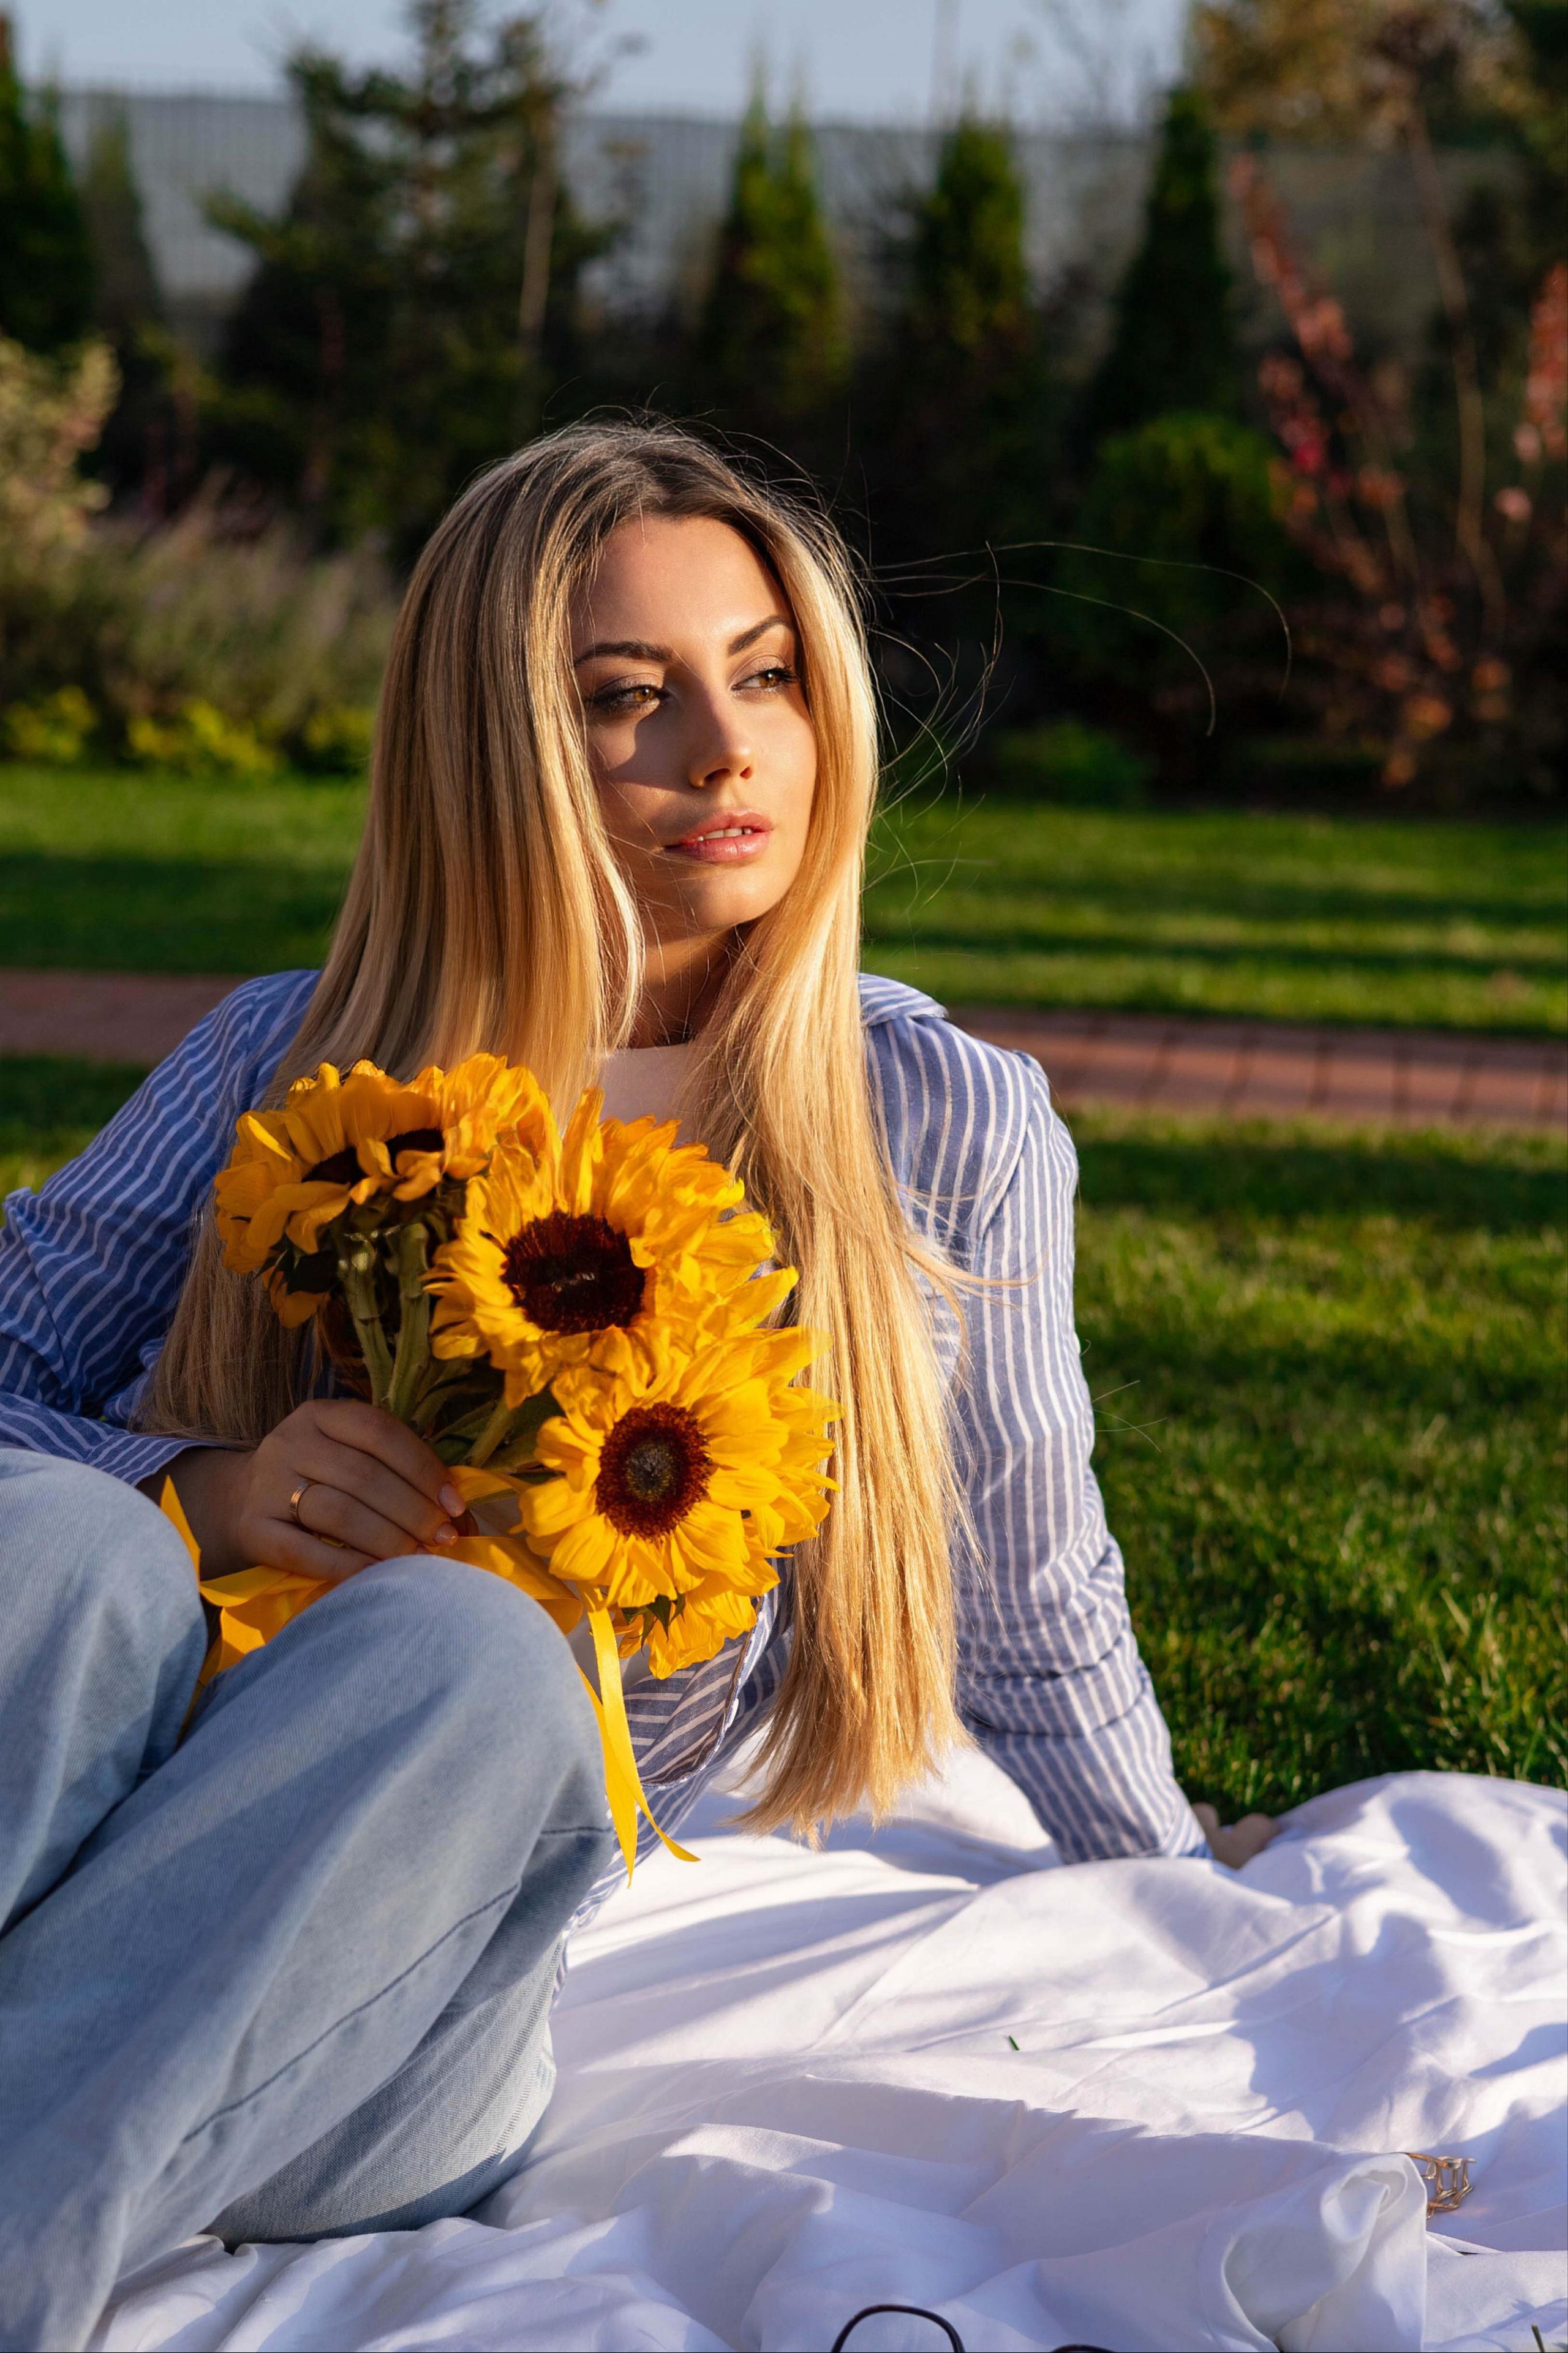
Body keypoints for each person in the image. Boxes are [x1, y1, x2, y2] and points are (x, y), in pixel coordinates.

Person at [0, 420, 1272, 2350]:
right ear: (491, 744)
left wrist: (1185, 1891)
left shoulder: (930, 1116)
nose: (726, 745)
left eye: (764, 674)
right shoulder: (297, 1056)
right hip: (126, 1812)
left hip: (396, 2001)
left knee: (464, 1644)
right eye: (627, 698)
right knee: (65, 1545)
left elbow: (1030, 1599)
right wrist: (205, 1485)